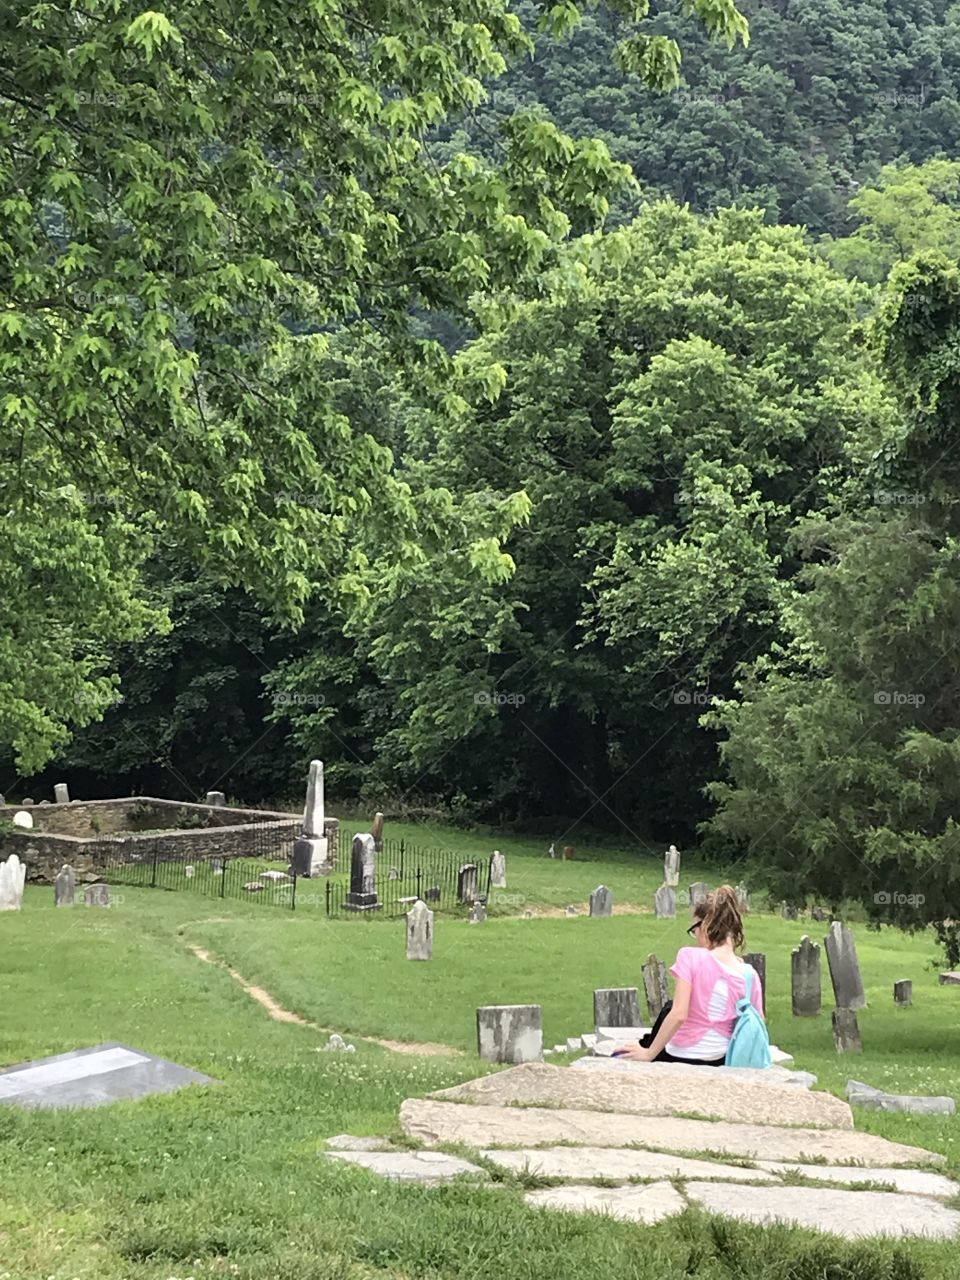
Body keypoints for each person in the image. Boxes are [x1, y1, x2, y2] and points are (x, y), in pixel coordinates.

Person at [614, 883, 763, 1066]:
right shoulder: (750, 975)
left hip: (683, 1054)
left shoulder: (690, 956)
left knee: (668, 1010)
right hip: (722, 1058)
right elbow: (758, 1022)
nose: (695, 936)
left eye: (694, 930)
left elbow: (679, 1014)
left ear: (706, 925)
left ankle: (645, 1046)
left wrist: (649, 1053)